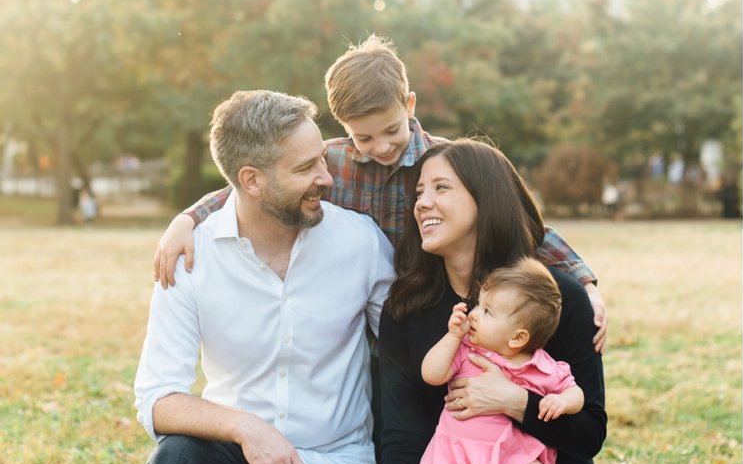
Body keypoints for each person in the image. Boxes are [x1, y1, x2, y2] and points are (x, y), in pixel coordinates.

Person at [151, 34, 607, 351]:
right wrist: (187, 219)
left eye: (391, 130)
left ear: (408, 105)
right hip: (361, 309)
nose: (382, 147)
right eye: (364, 138)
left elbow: (524, 224)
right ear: (344, 128)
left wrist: (584, 281)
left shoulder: (451, 163)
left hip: (439, 303)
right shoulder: (331, 162)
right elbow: (254, 186)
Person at [342, 139, 607, 464]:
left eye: (442, 188)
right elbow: (396, 436)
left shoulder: (555, 299)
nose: (422, 203)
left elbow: (589, 433)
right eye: (420, 191)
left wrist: (515, 402)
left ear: (486, 201)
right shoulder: (408, 307)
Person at [134, 90, 394, 464]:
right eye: (306, 167)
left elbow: (405, 356)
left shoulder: (360, 242)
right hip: (237, 456)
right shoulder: (190, 258)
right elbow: (156, 397)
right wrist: (247, 429)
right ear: (251, 180)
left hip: (337, 461)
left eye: (322, 158)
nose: (327, 176)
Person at [407, 259, 583, 464]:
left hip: (508, 452)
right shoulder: (466, 350)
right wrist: (450, 336)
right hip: (454, 450)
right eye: (478, 304)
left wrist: (562, 401)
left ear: (518, 337)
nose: (473, 313)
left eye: (487, 312)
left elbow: (574, 391)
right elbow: (432, 374)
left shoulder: (538, 365)